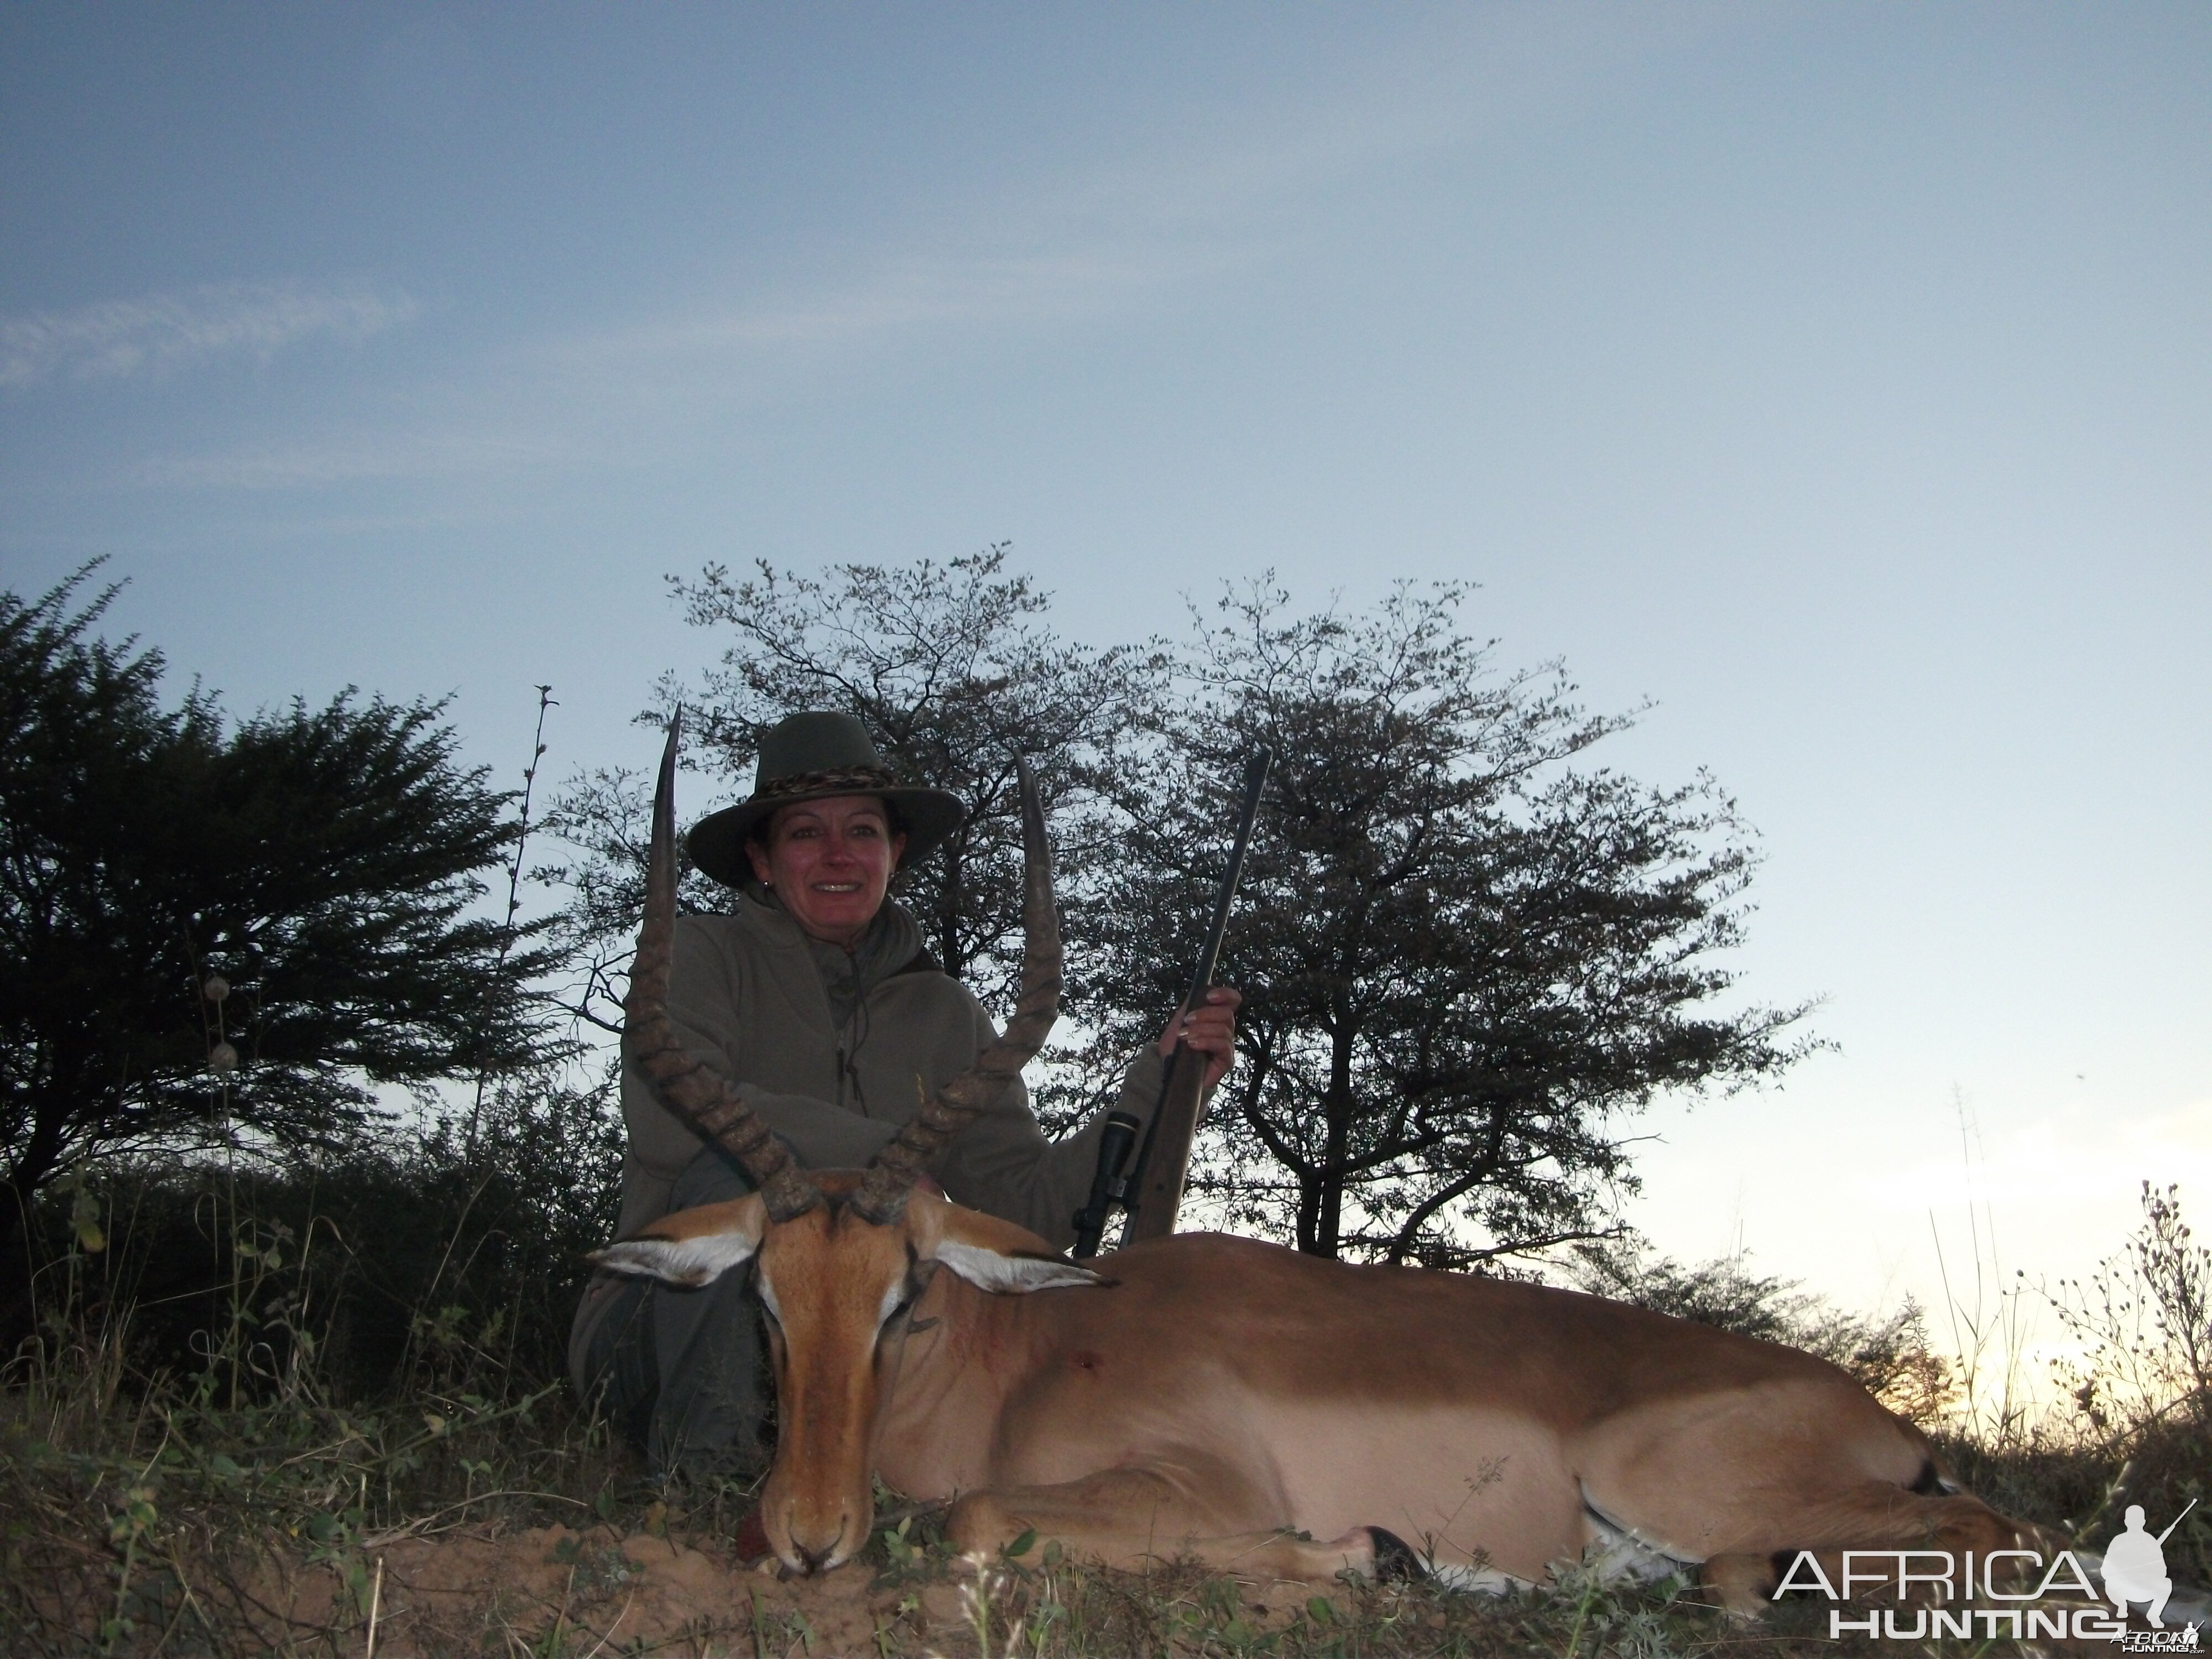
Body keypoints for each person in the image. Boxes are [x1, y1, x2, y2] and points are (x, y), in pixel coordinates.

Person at [570, 711, 1239, 1479]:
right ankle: (707, 1485)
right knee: (739, 1189)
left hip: (870, 1351)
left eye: (861, 832)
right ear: (760, 858)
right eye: (803, 834)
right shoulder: (699, 956)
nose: (836, 856)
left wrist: (1158, 1084)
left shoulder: (945, 1011)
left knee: (971, 1282)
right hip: (660, 1330)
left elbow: (1028, 1208)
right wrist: (888, 1164)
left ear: (894, 853)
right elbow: (669, 1120)